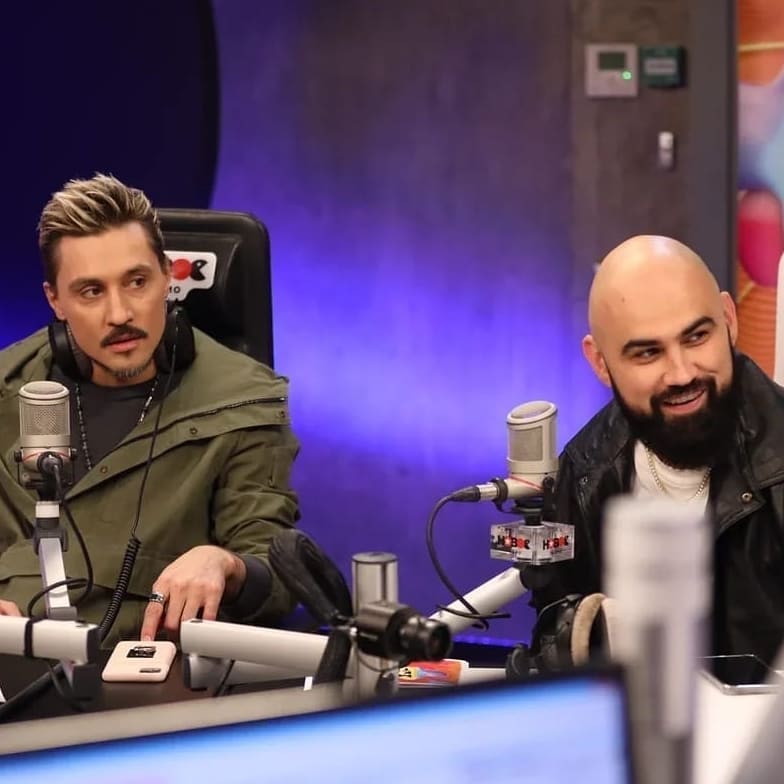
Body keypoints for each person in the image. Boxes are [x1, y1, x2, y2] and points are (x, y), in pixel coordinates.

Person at [0, 173, 299, 644]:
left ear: (166, 276)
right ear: (55, 300)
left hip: (150, 670)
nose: (120, 314)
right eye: (91, 291)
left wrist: (225, 563)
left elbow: (278, 573)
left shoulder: (242, 401)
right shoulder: (8, 389)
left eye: (136, 282)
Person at [531, 234, 784, 665]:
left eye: (697, 337)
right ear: (600, 363)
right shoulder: (584, 472)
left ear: (728, 320)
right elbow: (558, 645)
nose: (682, 373)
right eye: (648, 353)